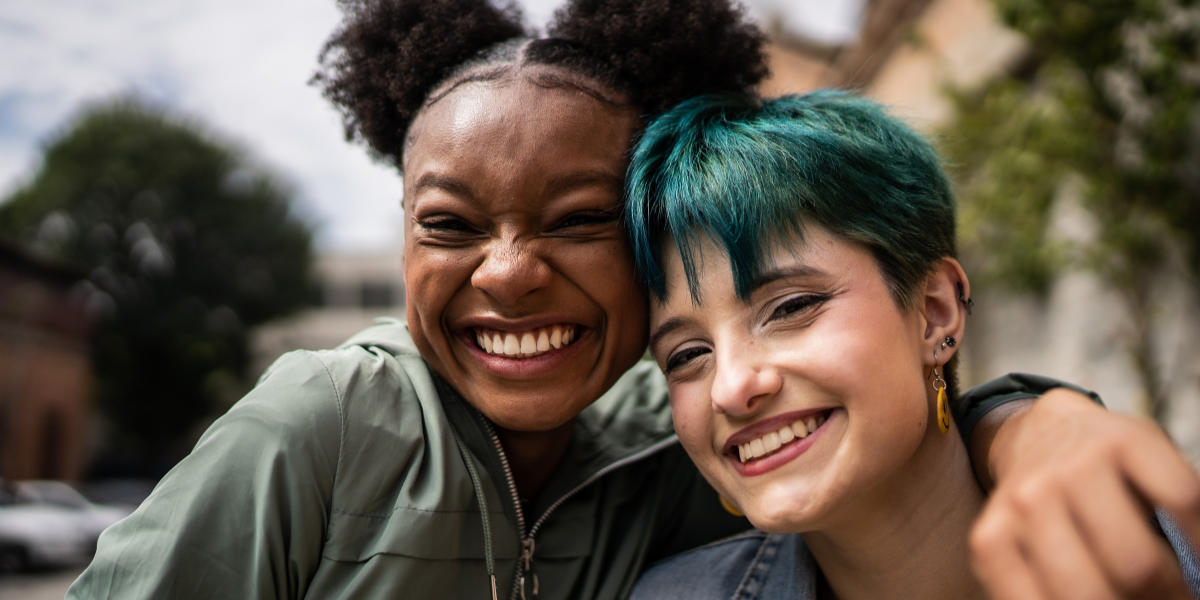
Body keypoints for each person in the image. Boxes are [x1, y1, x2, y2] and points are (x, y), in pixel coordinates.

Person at [67, 1, 1200, 599]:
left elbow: (896, 435)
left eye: (575, 221)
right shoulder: (324, 422)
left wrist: (1040, 420)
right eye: (450, 224)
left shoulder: (668, 450)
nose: (507, 271)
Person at [624, 91, 1200, 600]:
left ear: (933, 312)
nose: (730, 387)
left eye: (791, 307)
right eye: (686, 356)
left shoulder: (1172, 550)